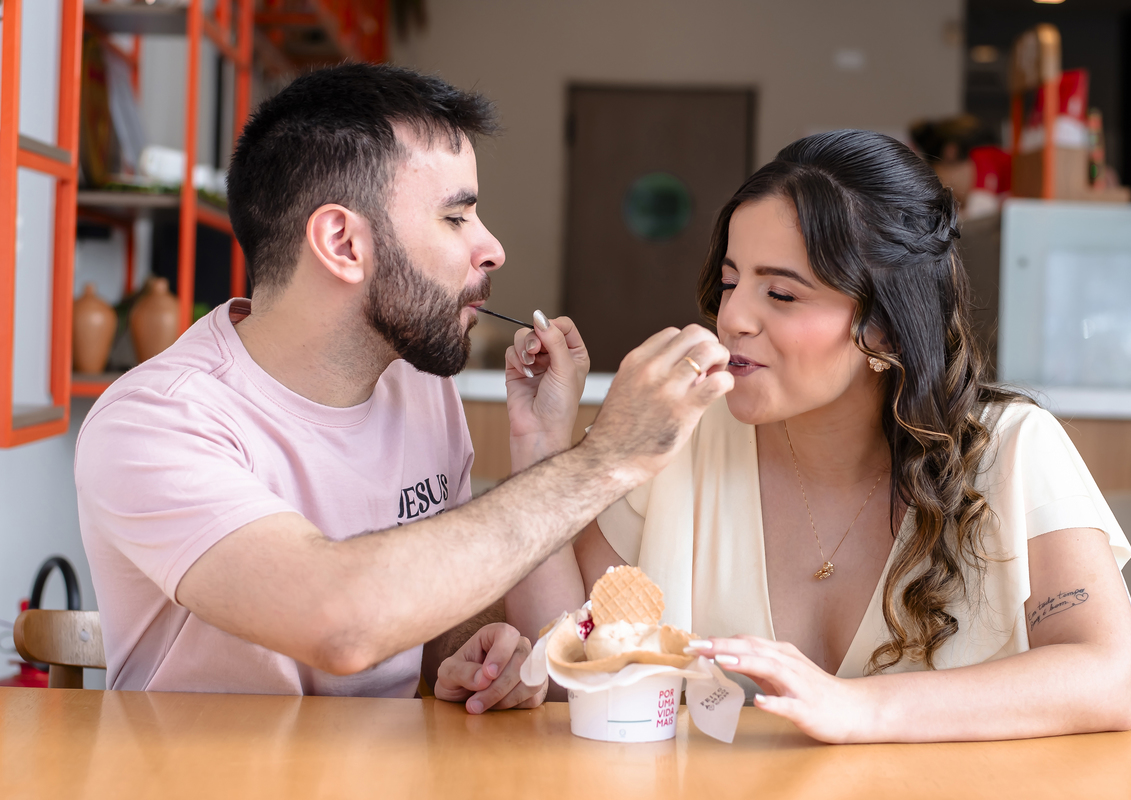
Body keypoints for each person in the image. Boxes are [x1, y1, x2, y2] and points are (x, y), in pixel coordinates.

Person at [74, 64, 732, 711]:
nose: (492, 247)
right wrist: (606, 458)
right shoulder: (154, 423)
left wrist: (472, 646)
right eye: (456, 218)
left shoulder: (418, 386)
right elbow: (340, 623)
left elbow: (420, 617)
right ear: (343, 242)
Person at [507, 129, 1131, 742]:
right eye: (730, 283)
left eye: (780, 293)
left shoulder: (1013, 447)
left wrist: (859, 709)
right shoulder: (683, 437)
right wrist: (539, 443)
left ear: (886, 326)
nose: (732, 318)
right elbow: (567, 666)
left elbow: (1107, 675)